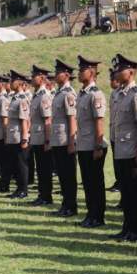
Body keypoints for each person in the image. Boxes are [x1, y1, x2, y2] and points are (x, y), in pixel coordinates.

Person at [108, 54, 137, 242]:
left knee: (135, 191)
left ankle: (136, 230)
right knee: (126, 191)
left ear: (131, 72)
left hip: (132, 149)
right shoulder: (118, 94)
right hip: (120, 149)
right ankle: (127, 227)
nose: (116, 72)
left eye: (120, 69)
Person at [75, 55, 108, 228]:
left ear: (92, 72)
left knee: (95, 183)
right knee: (87, 182)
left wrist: (98, 145)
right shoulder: (82, 94)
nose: (79, 73)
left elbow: (99, 122)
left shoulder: (96, 95)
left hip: (93, 145)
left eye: (82, 70)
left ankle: (98, 216)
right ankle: (90, 214)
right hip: (83, 144)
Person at [49, 59, 79, 217]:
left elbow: (72, 118)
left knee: (68, 175)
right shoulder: (59, 93)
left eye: (58, 72)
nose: (55, 75)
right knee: (62, 174)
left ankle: (71, 206)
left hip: (65, 140)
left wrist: (71, 142)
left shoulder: (68, 94)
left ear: (66, 75)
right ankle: (65, 205)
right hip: (57, 139)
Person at [4, 70, 31, 199]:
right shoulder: (14, 98)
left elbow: (24, 120)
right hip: (12, 136)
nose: (10, 83)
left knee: (21, 165)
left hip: (19, 137)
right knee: (15, 164)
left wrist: (25, 138)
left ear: (19, 83)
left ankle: (23, 190)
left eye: (12, 81)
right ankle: (18, 188)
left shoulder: (22, 99)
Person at [29, 65, 54, 206]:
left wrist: (47, 140)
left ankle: (46, 196)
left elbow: (48, 120)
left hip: (43, 138)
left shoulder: (44, 96)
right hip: (37, 137)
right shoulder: (37, 95)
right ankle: (42, 194)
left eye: (34, 76)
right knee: (40, 168)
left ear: (43, 78)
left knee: (45, 169)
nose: (32, 79)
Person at [107, 70, 122, 193]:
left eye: (113, 79)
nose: (111, 82)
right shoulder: (114, 94)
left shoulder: (123, 93)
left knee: (121, 163)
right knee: (116, 161)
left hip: (122, 135)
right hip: (113, 133)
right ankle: (118, 182)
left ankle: (121, 183)